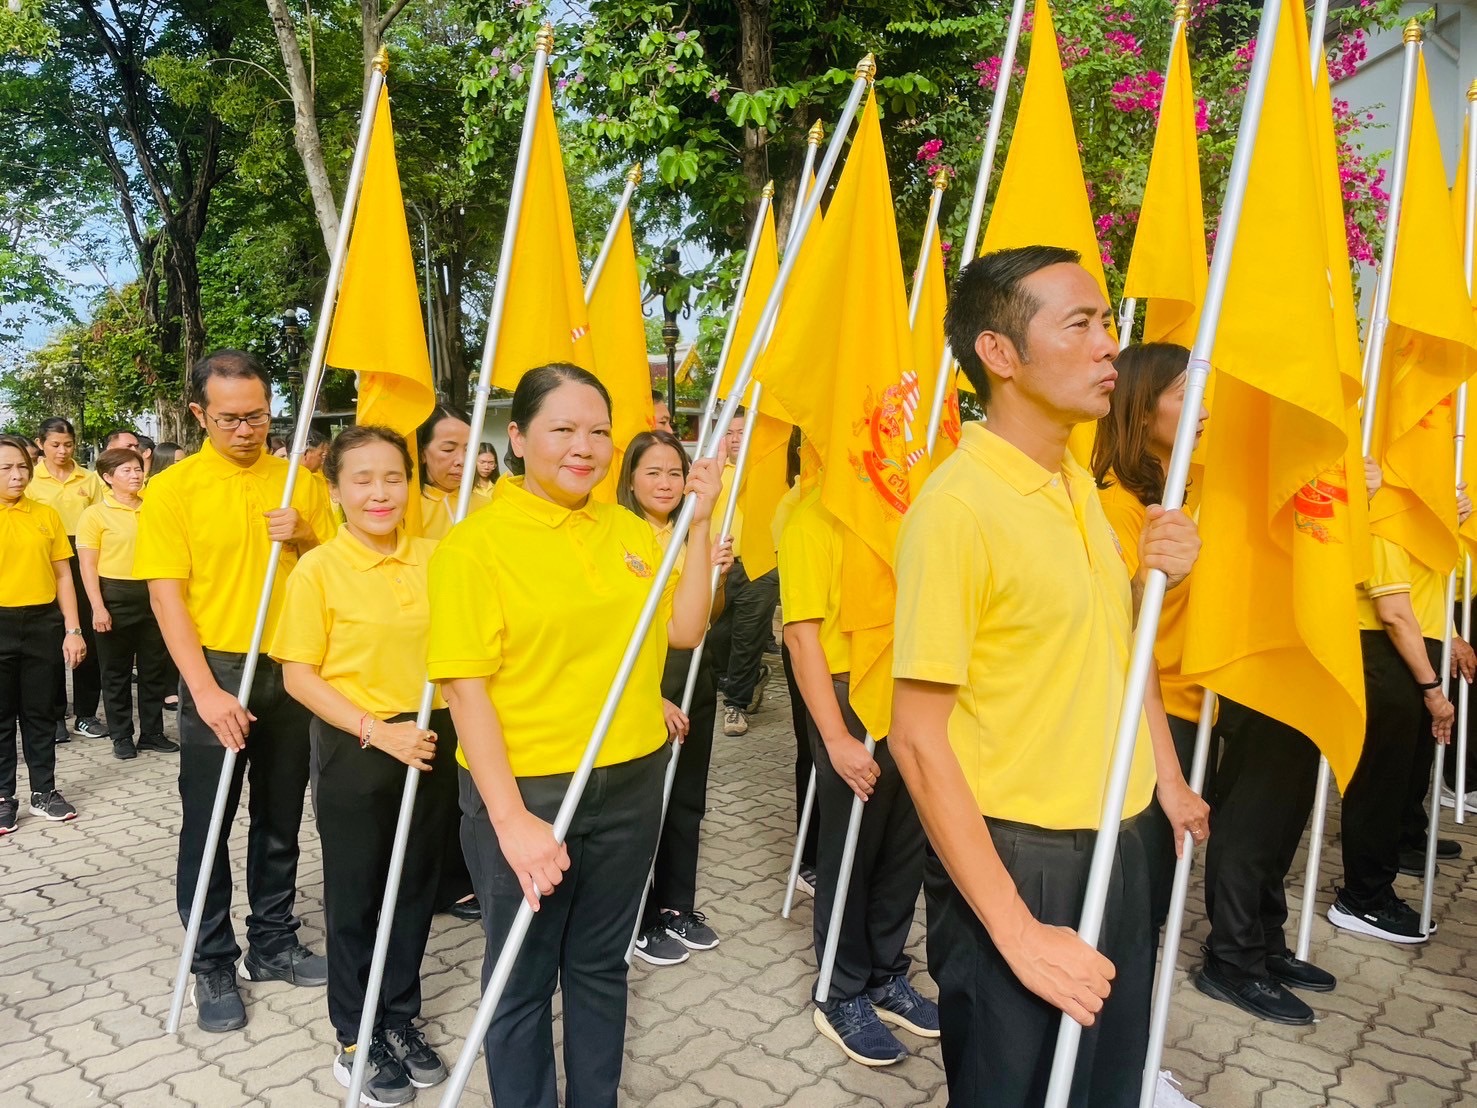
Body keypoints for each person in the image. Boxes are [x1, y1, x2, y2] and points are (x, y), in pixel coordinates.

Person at [888, 247, 1204, 1107]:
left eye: (1105, 322)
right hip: (1021, 860)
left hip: (1121, 836)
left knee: (1104, 1082)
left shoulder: (1075, 483)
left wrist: (1167, 780)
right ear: (999, 354)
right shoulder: (955, 511)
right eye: (1081, 324)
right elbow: (914, 741)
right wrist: (1018, 933)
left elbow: (1111, 654)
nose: (1110, 346)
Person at [427, 363, 720, 1107]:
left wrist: (703, 518)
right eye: (561, 430)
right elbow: (465, 690)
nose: (582, 447)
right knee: (520, 979)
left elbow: (684, 629)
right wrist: (511, 822)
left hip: (629, 784)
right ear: (518, 438)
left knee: (598, 965)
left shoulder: (627, 531)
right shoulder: (475, 546)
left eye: (597, 431)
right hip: (526, 792)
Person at [1095, 343, 1331, 1026]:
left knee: (1217, 852)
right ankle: (1115, 1032)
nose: (1201, 408)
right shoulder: (1113, 505)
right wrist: (1152, 571)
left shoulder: (1203, 486)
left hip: (1216, 696)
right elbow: (1113, 625)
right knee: (1144, 885)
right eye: (1180, 393)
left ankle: (1232, 959)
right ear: (1140, 412)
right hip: (1155, 706)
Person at [135, 350, 336, 1033]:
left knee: (281, 816)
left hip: (291, 667)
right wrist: (205, 691)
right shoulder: (174, 490)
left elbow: (338, 572)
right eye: (229, 419)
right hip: (216, 670)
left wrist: (307, 536)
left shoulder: (300, 484)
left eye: (257, 415)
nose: (246, 430)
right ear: (199, 414)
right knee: (210, 822)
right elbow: (167, 599)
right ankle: (211, 958)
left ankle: (272, 941)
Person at [271, 425, 457, 1105]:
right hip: (357, 747)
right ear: (336, 489)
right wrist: (379, 731)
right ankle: (356, 1033)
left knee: (414, 892)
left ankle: (400, 1018)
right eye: (362, 479)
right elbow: (298, 675)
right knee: (356, 896)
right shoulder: (319, 568)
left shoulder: (441, 556)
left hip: (433, 743)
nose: (380, 493)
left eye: (392, 478)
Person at [780, 475, 938, 1067]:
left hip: (909, 696)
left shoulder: (905, 509)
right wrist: (836, 737)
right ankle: (839, 992)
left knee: (902, 852)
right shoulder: (812, 521)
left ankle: (884, 975)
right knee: (851, 856)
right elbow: (801, 636)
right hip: (850, 702)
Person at [616, 430, 734, 967]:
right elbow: (617, 628)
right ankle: (635, 916)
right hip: (643, 681)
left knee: (687, 798)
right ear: (631, 479)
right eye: (652, 472)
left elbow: (706, 619)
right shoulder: (619, 536)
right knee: (643, 804)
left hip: (693, 675)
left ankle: (675, 906)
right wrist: (648, 696)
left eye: (674, 472)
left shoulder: (694, 534)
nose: (664, 483)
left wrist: (715, 574)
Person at [1334, 512, 1473, 945]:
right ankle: (1361, 899)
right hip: (1386, 654)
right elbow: (1393, 613)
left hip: (1416, 656)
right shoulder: (1385, 522)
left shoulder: (1426, 533)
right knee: (1380, 783)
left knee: (1403, 781)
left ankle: (1379, 887)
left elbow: (1432, 599)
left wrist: (1449, 639)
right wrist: (1432, 689)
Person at [0, 434, 83, 833]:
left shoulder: (45, 514)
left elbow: (64, 575)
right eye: (6, 469)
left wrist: (73, 629)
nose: (17, 476)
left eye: (21, 467)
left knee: (39, 714)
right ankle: (3, 796)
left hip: (41, 624)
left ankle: (43, 792)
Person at [75, 447, 178, 762]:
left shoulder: (154, 506)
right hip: (114, 595)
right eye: (126, 471)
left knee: (153, 668)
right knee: (116, 672)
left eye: (137, 469)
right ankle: (121, 735)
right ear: (107, 477)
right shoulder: (95, 514)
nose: (135, 475)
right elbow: (88, 567)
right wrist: (98, 607)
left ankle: (152, 733)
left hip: (152, 593)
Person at [27, 417, 105, 741]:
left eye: (68, 444)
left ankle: (85, 714)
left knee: (88, 637)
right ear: (40, 444)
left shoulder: (89, 478)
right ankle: (55, 713)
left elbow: (103, 519)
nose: (62, 451)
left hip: (84, 559)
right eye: (55, 445)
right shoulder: (31, 480)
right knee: (51, 641)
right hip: (45, 562)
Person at [706, 409, 779, 736]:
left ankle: (735, 704)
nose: (736, 439)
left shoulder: (766, 471)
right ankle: (748, 678)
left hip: (759, 565)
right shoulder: (710, 471)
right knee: (718, 635)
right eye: (730, 432)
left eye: (742, 432)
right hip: (720, 565)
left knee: (747, 638)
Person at [417, 405, 492, 542]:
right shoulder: (409, 512)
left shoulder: (488, 507)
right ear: (422, 454)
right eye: (448, 449)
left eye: (468, 449)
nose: (461, 461)